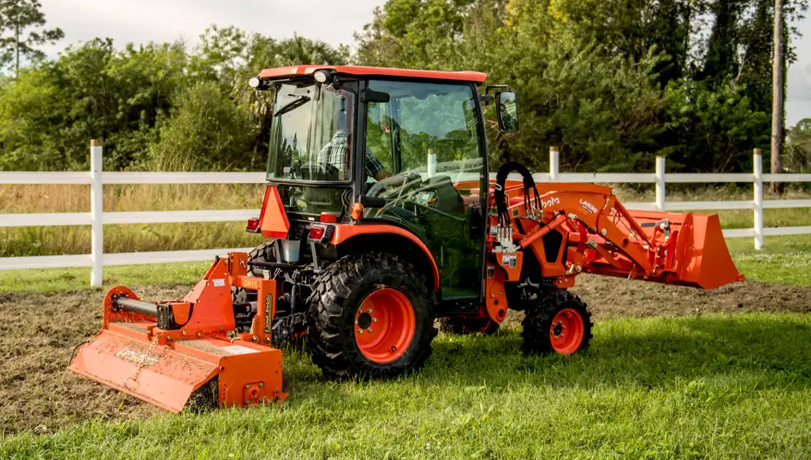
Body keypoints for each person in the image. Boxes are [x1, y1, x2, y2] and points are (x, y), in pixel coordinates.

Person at [317, 109, 391, 181]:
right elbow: (383, 178)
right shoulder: (356, 148)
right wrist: (402, 179)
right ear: (353, 126)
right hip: (351, 193)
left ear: (334, 128)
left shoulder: (322, 152)